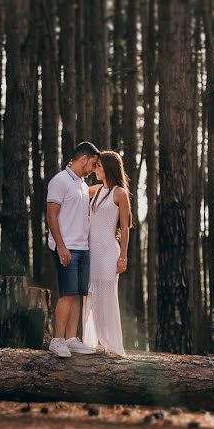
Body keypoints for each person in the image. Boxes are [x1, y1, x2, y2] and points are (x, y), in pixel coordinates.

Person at [46, 142, 101, 357]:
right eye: (93, 164)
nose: (94, 169)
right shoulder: (59, 181)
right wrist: (61, 246)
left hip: (83, 248)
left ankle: (71, 339)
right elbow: (51, 215)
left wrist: (114, 185)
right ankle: (57, 340)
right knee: (67, 295)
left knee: (78, 294)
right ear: (83, 158)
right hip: (65, 247)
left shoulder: (80, 183)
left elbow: (91, 192)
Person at [82, 150, 132, 357]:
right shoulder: (97, 190)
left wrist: (123, 256)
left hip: (108, 252)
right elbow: (78, 191)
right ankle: (96, 343)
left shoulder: (119, 192)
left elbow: (126, 227)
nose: (96, 169)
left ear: (109, 168)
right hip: (92, 252)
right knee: (92, 296)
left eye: (99, 166)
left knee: (106, 296)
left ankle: (112, 345)